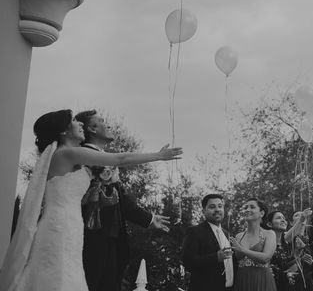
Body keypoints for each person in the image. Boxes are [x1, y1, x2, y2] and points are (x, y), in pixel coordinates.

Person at [0, 109, 182, 291]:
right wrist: (158, 156)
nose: (79, 124)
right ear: (63, 131)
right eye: (73, 121)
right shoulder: (68, 154)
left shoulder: (72, 158)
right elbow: (122, 158)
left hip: (72, 226)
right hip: (61, 225)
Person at [76, 109, 172, 291]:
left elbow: (120, 199)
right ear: (92, 129)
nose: (108, 124)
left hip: (110, 238)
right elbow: (124, 158)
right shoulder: (83, 155)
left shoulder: (103, 157)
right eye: (102, 121)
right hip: (89, 236)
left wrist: (149, 219)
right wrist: (158, 156)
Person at [182, 193, 236, 291]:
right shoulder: (194, 232)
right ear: (204, 211)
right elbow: (187, 261)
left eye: (220, 206)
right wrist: (216, 257)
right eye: (212, 207)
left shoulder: (227, 234)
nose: (217, 210)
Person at [230, 198, 278, 291]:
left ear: (261, 213)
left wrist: (243, 250)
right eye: (246, 207)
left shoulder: (269, 234)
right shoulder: (239, 236)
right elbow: (238, 258)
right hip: (242, 280)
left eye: (252, 207)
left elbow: (266, 258)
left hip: (262, 280)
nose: (247, 210)